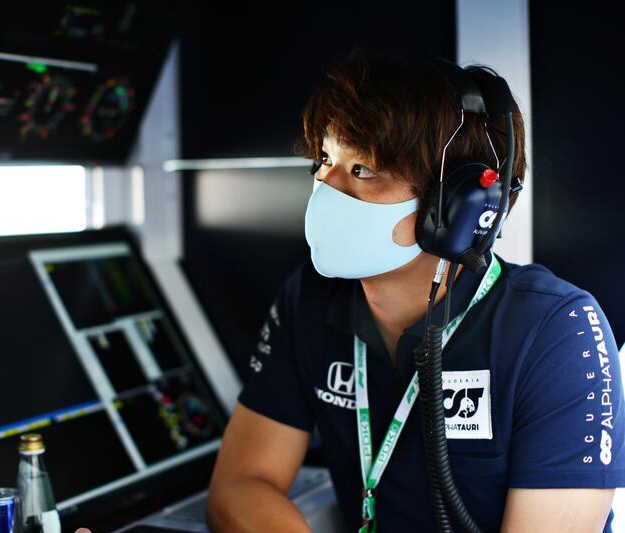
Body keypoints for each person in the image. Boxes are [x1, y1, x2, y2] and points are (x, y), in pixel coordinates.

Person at [205, 48, 625, 532]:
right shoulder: (309, 298)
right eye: (324, 158)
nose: (323, 184)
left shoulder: (557, 332)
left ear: (456, 207)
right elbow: (241, 483)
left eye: (363, 169)